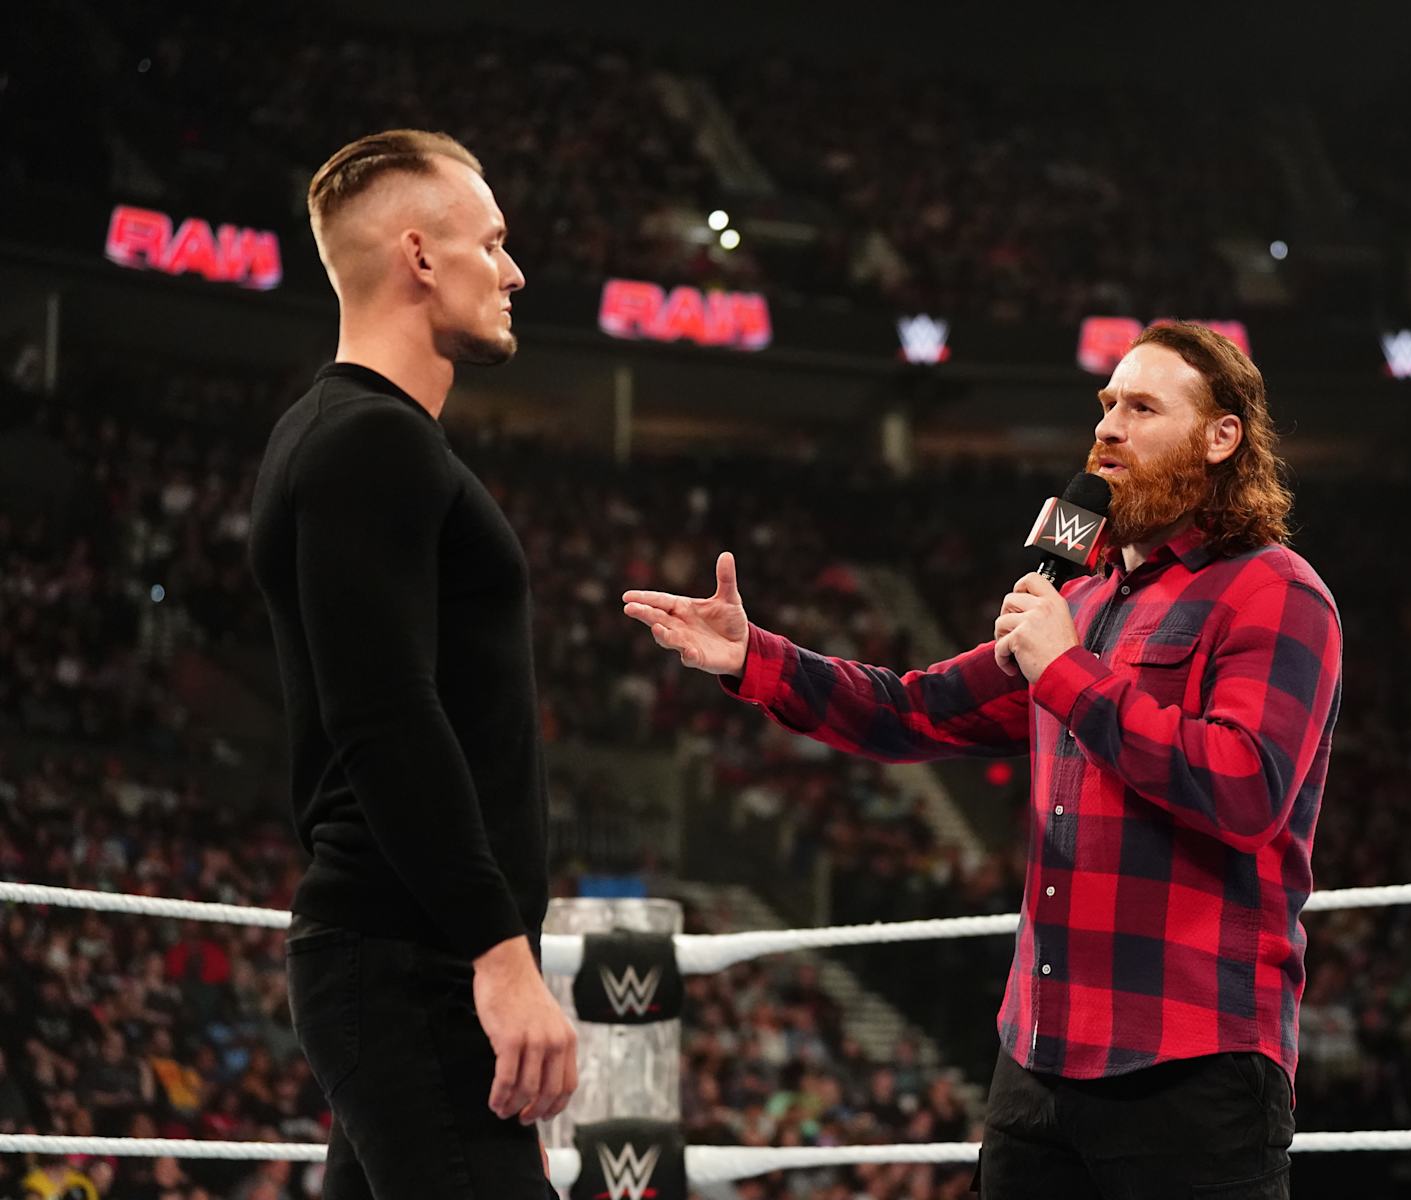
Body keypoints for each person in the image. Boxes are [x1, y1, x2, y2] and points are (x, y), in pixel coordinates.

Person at [624, 323, 1341, 1199]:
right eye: (1106, 404)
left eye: (1142, 408)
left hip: (1191, 1063)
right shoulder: (1080, 594)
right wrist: (753, 657)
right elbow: (913, 710)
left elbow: (1245, 787)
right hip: (1037, 1060)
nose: (1107, 427)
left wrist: (1065, 669)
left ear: (1221, 436)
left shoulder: (1275, 591)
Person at [248, 129, 573, 1199]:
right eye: (493, 242)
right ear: (420, 257)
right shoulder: (368, 443)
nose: (513, 272)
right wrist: (499, 955)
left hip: (404, 957)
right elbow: (384, 715)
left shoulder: (344, 433)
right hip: (414, 964)